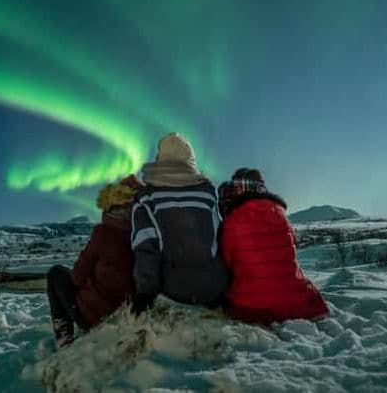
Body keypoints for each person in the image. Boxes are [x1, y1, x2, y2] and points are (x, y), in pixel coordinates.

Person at [131, 132, 229, 313]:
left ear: (160, 160)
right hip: (213, 287)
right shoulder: (208, 194)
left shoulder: (146, 198)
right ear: (191, 160)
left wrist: (145, 291)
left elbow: (145, 248)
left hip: (174, 289)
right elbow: (219, 240)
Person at [218, 168, 329, 323]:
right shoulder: (280, 213)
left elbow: (226, 261)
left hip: (250, 304)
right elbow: (291, 250)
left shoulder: (231, 220)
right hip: (296, 301)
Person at [47, 175, 141, 346]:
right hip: (128, 317)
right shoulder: (148, 236)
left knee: (56, 274)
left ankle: (64, 339)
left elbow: (77, 277)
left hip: (95, 318)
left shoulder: (104, 233)